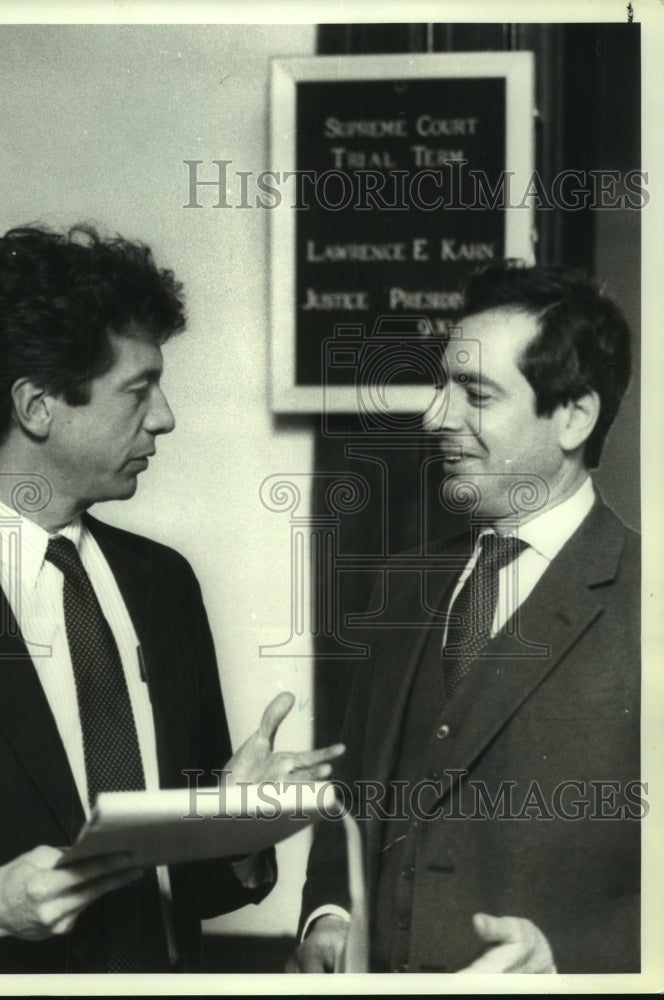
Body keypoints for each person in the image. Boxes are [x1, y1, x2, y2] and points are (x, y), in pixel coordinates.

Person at [0, 224, 343, 974]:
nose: (165, 416)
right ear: (37, 406)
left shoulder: (163, 585)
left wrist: (234, 828)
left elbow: (183, 888)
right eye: (139, 388)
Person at [289, 262, 641, 974]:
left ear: (573, 414)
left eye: (474, 394)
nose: (436, 416)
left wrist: (572, 961)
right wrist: (329, 918)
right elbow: (353, 804)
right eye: (444, 387)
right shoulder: (402, 587)